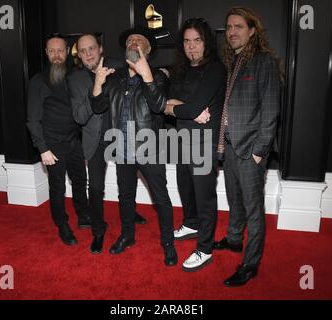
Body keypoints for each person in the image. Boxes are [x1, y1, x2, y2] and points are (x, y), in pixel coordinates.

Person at [90, 26, 177, 266]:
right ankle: (127, 236)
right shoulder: (115, 76)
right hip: (122, 147)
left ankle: (168, 244)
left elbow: (159, 106)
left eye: (139, 40)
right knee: (125, 196)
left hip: (149, 147)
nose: (133, 42)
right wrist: (98, 82)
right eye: (129, 40)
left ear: (148, 50)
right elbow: (97, 106)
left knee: (161, 198)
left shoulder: (158, 76)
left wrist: (147, 75)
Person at [215, 7, 280, 286]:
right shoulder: (233, 61)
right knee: (234, 199)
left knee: (254, 210)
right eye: (229, 27)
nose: (232, 32)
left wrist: (259, 151)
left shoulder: (264, 62)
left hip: (250, 149)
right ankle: (233, 240)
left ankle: (251, 264)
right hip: (229, 147)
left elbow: (270, 110)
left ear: (252, 31)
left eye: (238, 26)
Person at [67, 33, 147, 254]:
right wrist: (97, 84)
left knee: (128, 181)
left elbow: (145, 72)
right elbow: (80, 117)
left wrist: (165, 72)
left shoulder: (119, 65)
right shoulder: (75, 79)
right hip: (95, 139)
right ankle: (98, 231)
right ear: (79, 55)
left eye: (91, 48)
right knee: (95, 188)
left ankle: (130, 213)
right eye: (83, 51)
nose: (88, 54)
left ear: (101, 48)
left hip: (121, 133)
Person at [164, 18, 226, 271]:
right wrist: (183, 108)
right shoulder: (181, 70)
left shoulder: (215, 70)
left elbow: (184, 106)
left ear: (206, 42)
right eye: (187, 41)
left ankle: (205, 248)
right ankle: (190, 223)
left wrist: (179, 107)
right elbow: (166, 103)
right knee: (185, 186)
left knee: (204, 197)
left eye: (197, 40)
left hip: (204, 143)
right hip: (182, 139)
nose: (192, 47)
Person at [26, 33, 89, 246]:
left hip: (75, 141)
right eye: (51, 51)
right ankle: (62, 224)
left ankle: (83, 216)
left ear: (68, 50)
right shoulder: (38, 80)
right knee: (58, 187)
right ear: (46, 53)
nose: (56, 55)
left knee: (80, 181)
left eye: (60, 50)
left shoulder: (76, 75)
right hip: (52, 145)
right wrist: (42, 148)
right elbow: (32, 119)